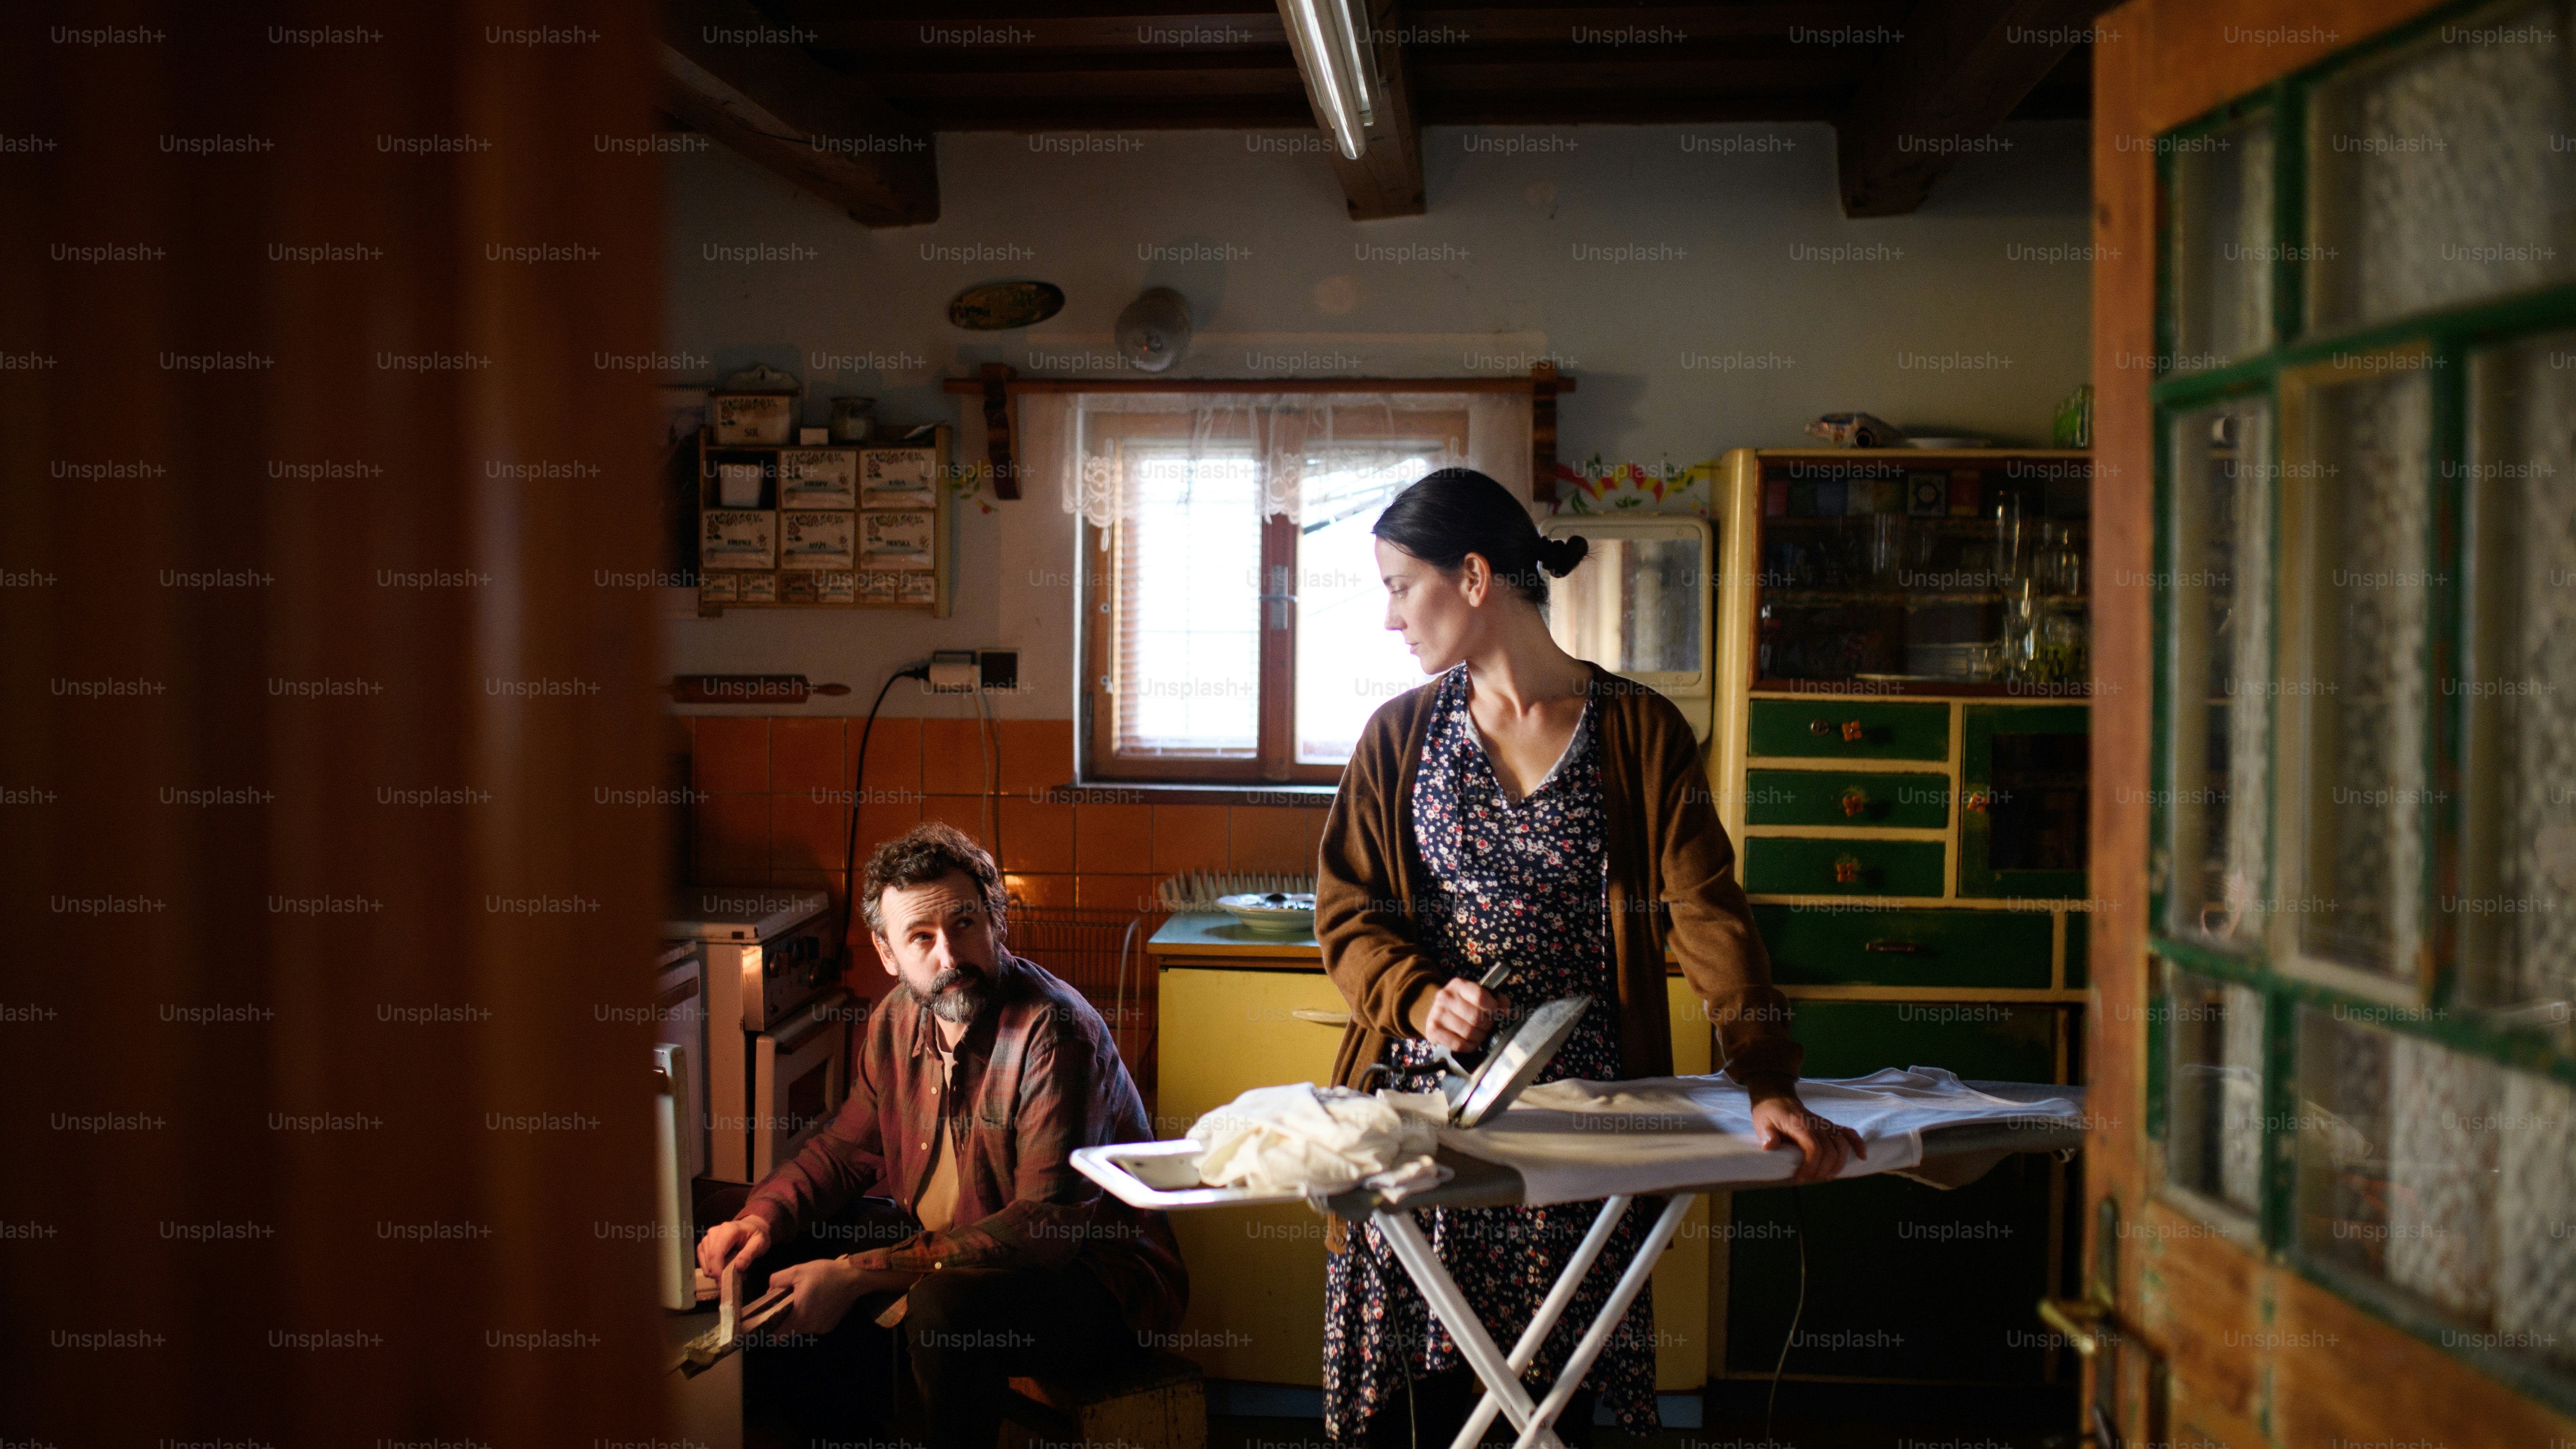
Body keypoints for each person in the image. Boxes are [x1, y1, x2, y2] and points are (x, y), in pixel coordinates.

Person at [1314, 468, 1861, 1448]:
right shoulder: (1397, 737)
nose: (1390, 616)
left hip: (1585, 1118)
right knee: (1421, 1406)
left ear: (1472, 576)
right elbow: (1348, 915)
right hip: (1429, 1118)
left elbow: (1707, 914)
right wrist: (1420, 996)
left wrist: (1765, 1076)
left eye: (1400, 586)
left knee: (1557, 1395)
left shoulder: (1640, 733)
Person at [697, 822, 1187, 1449]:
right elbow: (842, 1154)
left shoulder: (1053, 1032)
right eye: (921, 937)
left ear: (996, 922)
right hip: (959, 1247)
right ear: (887, 953)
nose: (949, 958)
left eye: (963, 924)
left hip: (1096, 1284)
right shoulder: (895, 1020)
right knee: (766, 1243)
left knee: (943, 1309)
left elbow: (1041, 1231)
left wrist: (856, 1272)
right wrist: (760, 1219)